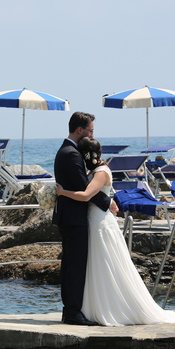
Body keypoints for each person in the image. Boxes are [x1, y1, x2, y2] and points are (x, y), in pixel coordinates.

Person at [56, 137, 175, 326]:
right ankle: (94, 307)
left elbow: (85, 196)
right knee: (97, 265)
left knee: (107, 264)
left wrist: (62, 192)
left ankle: (111, 307)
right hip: (93, 221)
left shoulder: (100, 172)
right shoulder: (93, 170)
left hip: (99, 222)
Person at [53, 111, 117, 326]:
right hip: (74, 217)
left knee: (72, 264)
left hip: (72, 216)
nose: (92, 134)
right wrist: (108, 202)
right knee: (75, 266)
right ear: (80, 130)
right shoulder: (70, 153)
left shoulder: (68, 150)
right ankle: (72, 312)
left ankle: (72, 310)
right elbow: (83, 186)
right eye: (90, 130)